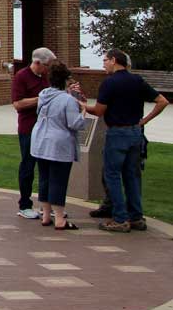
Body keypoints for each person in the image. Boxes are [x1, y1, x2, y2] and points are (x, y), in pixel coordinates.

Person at [84, 49, 169, 232]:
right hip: (135, 134)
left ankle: (120, 218)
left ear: (114, 60)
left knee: (112, 175)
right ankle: (136, 217)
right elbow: (162, 101)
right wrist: (144, 121)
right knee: (132, 176)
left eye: (105, 60)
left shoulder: (109, 83)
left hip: (116, 134)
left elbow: (99, 111)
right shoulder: (136, 80)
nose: (104, 64)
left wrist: (82, 106)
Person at [29, 61, 87, 230]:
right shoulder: (68, 100)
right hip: (59, 144)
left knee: (45, 179)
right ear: (65, 80)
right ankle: (60, 218)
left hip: (40, 141)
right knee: (58, 181)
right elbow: (75, 123)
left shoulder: (43, 95)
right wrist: (82, 111)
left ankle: (46, 215)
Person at [11, 48, 53, 219]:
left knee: (47, 167)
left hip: (47, 128)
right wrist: (42, 97)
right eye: (47, 66)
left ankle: (47, 206)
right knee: (28, 166)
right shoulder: (21, 76)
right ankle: (25, 204)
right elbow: (18, 104)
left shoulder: (46, 77)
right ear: (37, 63)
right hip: (29, 128)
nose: (48, 69)